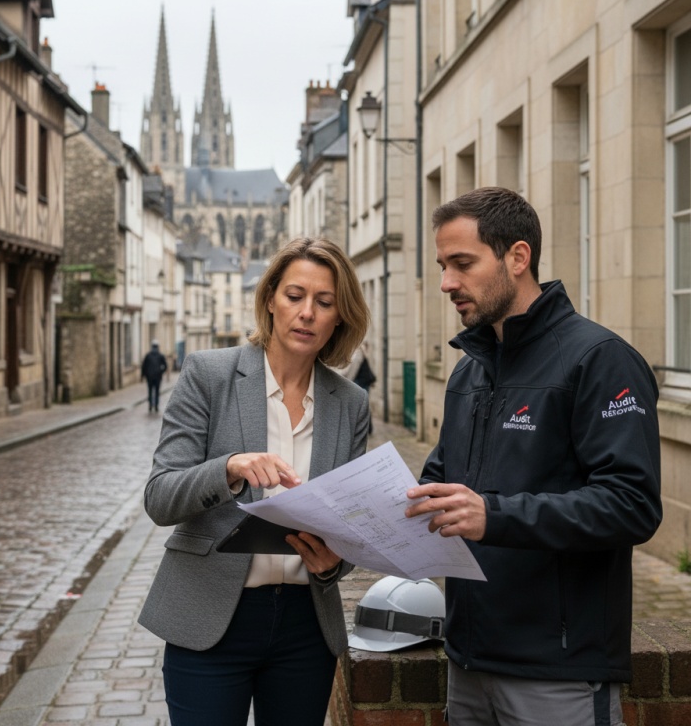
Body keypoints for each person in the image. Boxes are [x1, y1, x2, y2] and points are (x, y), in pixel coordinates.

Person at [404, 187, 662, 725]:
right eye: (442, 266)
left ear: (517, 257)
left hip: (558, 672)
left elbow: (631, 504)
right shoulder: (469, 370)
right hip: (468, 663)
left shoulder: (600, 360)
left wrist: (493, 516)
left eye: (462, 263)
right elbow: (441, 485)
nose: (447, 282)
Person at [138, 236, 371, 726]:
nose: (307, 312)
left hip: (305, 627)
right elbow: (160, 498)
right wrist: (228, 470)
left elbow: (351, 525)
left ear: (339, 316)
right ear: (270, 299)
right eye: (294, 296)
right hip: (210, 618)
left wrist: (334, 564)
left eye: (324, 302)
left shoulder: (350, 404)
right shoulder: (209, 375)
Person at [141, 340, 168, 412]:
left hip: (150, 377)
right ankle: (155, 405)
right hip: (157, 377)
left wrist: (143, 375)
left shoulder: (148, 355)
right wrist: (161, 372)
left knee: (150, 391)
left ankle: (150, 405)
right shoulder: (160, 355)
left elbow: (143, 366)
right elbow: (165, 366)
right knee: (156, 392)